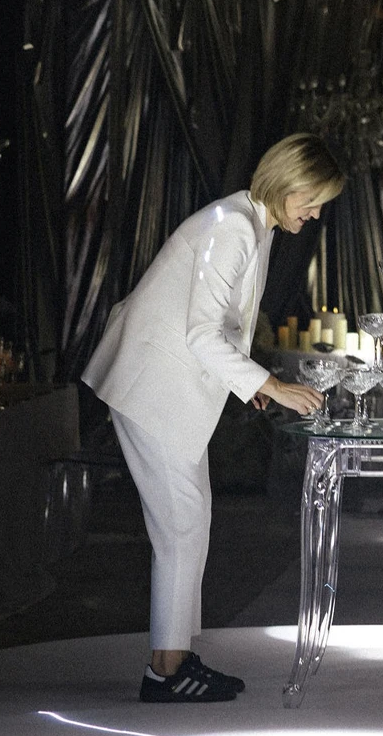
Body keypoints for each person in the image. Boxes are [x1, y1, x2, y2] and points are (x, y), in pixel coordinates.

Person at [82, 132, 345, 702]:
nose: (317, 213)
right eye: (313, 200)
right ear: (287, 184)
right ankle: (166, 672)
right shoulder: (233, 225)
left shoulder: (251, 222)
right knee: (181, 525)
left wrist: (245, 382)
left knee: (188, 524)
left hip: (165, 386)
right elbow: (201, 332)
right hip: (152, 386)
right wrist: (270, 384)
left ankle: (173, 661)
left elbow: (217, 324)